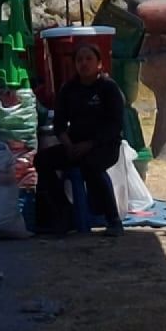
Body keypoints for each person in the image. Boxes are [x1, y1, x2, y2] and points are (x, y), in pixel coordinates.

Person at [34, 43, 126, 236]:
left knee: (91, 165)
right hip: (74, 145)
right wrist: (67, 144)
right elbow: (59, 123)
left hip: (104, 146)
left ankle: (113, 219)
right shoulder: (69, 89)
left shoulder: (108, 88)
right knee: (42, 160)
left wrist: (90, 144)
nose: (84, 63)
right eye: (79, 60)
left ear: (99, 63)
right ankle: (64, 211)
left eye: (89, 59)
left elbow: (115, 125)